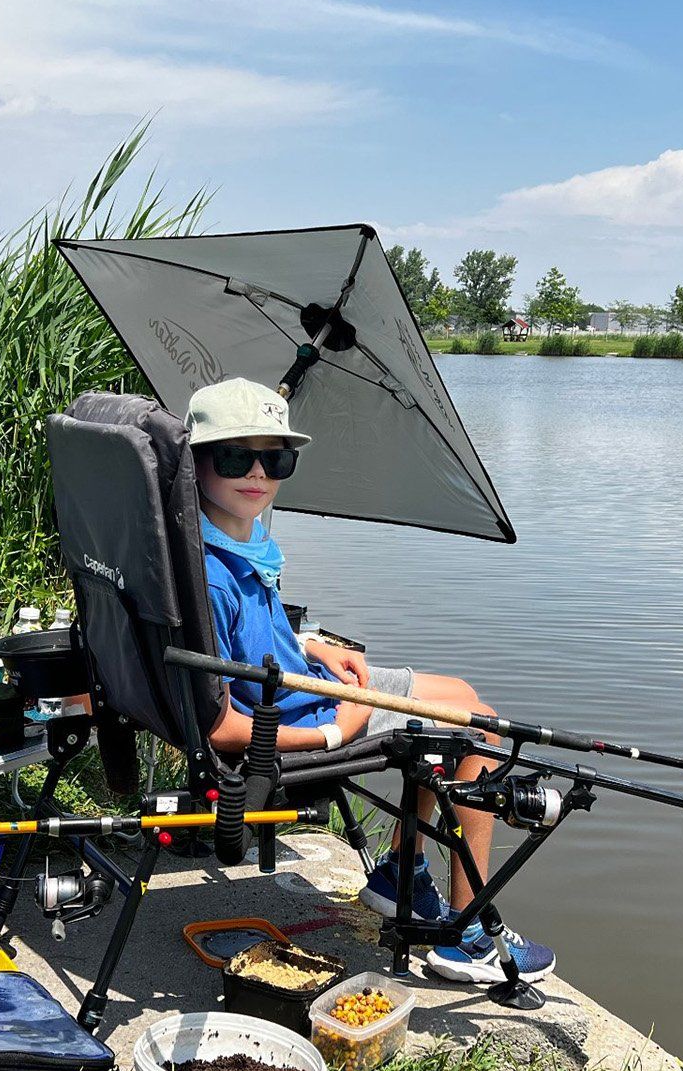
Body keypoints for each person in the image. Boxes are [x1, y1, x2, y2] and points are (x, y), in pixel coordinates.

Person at [187, 377, 556, 985]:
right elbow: (223, 727)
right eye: (235, 456)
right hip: (305, 715)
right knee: (479, 732)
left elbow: (254, 639)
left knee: (460, 693)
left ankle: (400, 873)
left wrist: (310, 646)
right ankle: (467, 934)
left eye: (276, 458)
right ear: (196, 460)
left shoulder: (228, 535)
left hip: (305, 682)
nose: (257, 473)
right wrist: (336, 731)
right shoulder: (213, 576)